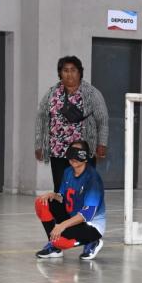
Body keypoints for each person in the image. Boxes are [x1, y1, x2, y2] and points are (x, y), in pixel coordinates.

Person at [35, 55, 109, 192]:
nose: (69, 74)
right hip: (57, 151)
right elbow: (41, 119)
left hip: (83, 150)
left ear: (80, 72)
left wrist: (102, 144)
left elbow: (103, 119)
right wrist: (39, 144)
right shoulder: (51, 93)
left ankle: (83, 213)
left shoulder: (92, 93)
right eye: (65, 70)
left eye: (73, 70)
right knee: (60, 187)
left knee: (84, 186)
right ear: (60, 73)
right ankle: (62, 214)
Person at [34, 140, 106, 260]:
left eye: (78, 153)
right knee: (42, 202)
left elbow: (87, 214)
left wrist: (62, 225)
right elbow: (63, 197)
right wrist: (52, 195)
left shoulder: (92, 179)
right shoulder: (68, 172)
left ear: (86, 157)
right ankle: (55, 247)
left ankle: (93, 241)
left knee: (61, 240)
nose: (73, 158)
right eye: (71, 153)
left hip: (91, 225)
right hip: (72, 215)